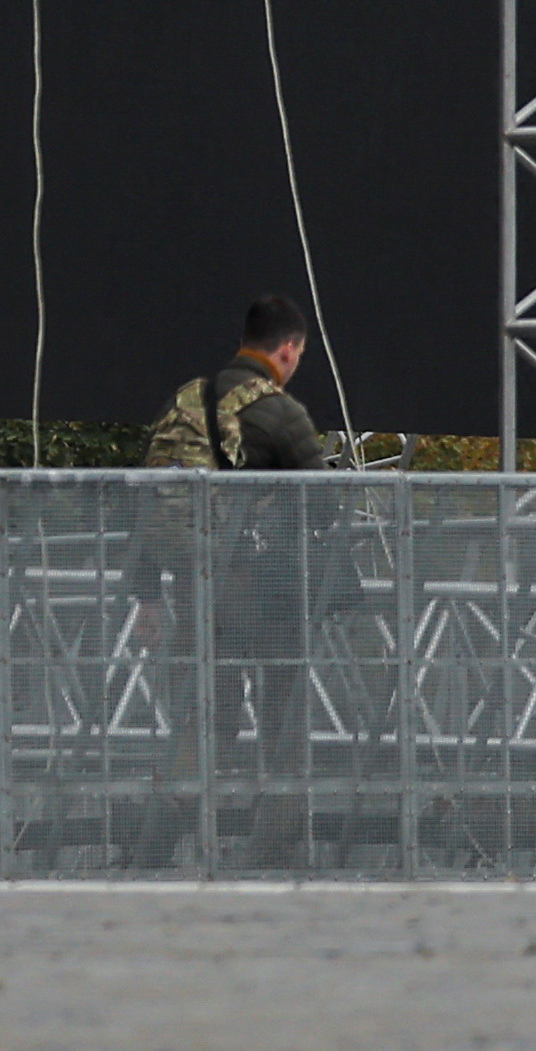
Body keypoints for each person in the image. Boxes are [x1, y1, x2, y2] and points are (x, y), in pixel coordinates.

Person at [132, 295, 336, 858]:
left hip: (197, 589)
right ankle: (273, 843)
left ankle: (155, 838)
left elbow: (152, 502)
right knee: (282, 713)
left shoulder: (186, 402)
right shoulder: (279, 413)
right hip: (266, 590)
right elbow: (324, 510)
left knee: (207, 716)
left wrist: (148, 598)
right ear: (288, 350)